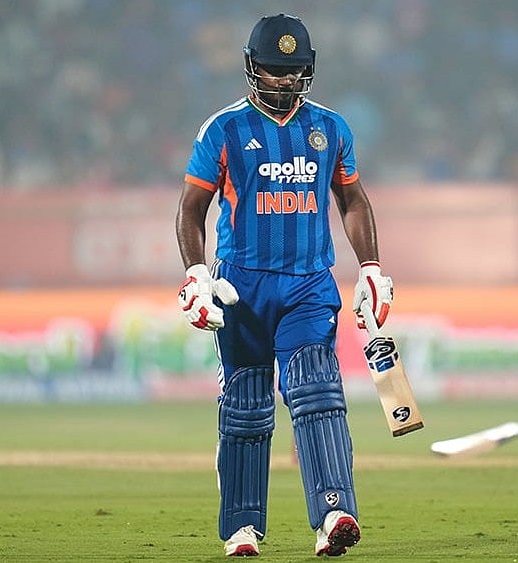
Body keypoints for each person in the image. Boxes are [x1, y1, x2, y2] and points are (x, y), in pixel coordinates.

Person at [175, 13, 393, 558]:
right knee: (246, 408)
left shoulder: (331, 128)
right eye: (272, 71)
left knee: (317, 392)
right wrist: (197, 275)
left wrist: (370, 268)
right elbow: (190, 210)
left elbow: (354, 200)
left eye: (293, 71)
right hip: (241, 288)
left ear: (308, 70)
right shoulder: (222, 130)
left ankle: (335, 511)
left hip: (307, 285)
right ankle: (242, 528)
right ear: (252, 68)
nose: (282, 81)